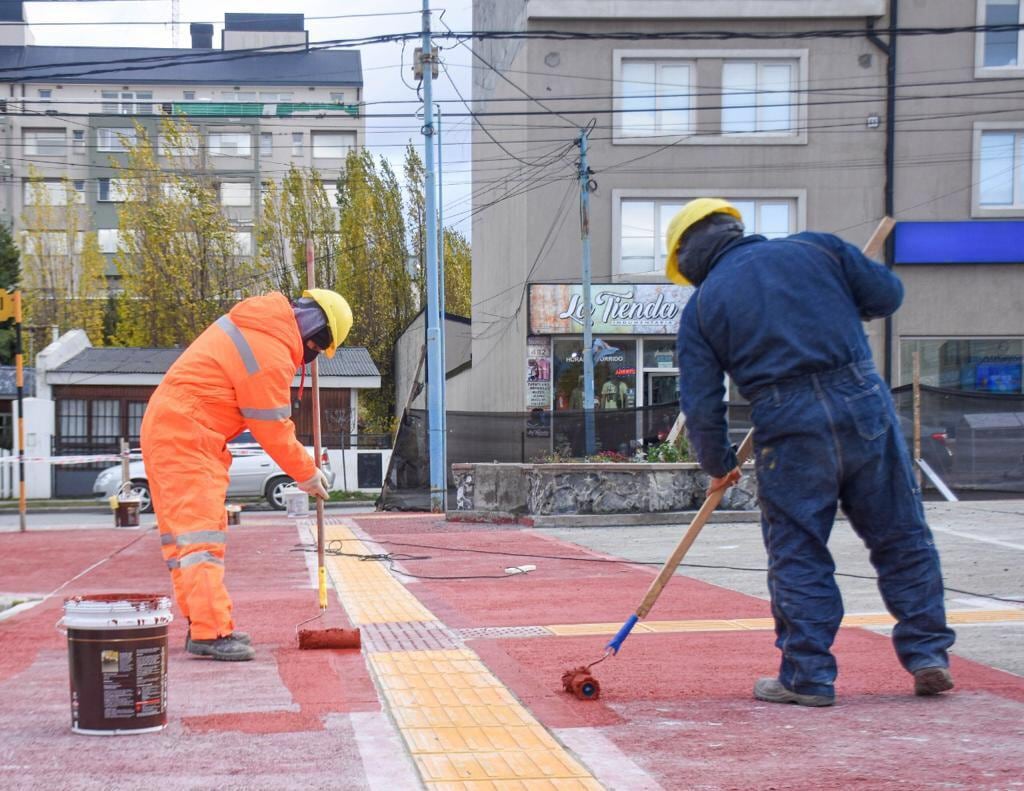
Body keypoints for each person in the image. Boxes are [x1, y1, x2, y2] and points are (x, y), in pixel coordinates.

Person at [666, 199, 955, 706]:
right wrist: (844, 301)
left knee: (798, 551)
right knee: (901, 536)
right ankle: (928, 654)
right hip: (861, 401)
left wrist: (720, 463)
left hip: (786, 421)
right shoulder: (818, 249)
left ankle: (808, 675)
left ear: (688, 256)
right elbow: (886, 295)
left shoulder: (704, 307)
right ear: (732, 228)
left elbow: (702, 402)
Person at [141, 289, 353, 662]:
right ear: (313, 332)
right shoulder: (268, 351)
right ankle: (211, 632)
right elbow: (270, 424)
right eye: (319, 347)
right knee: (200, 539)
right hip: (188, 435)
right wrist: (307, 473)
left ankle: (201, 623)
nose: (314, 355)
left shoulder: (261, 327)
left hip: (174, 430)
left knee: (184, 544)